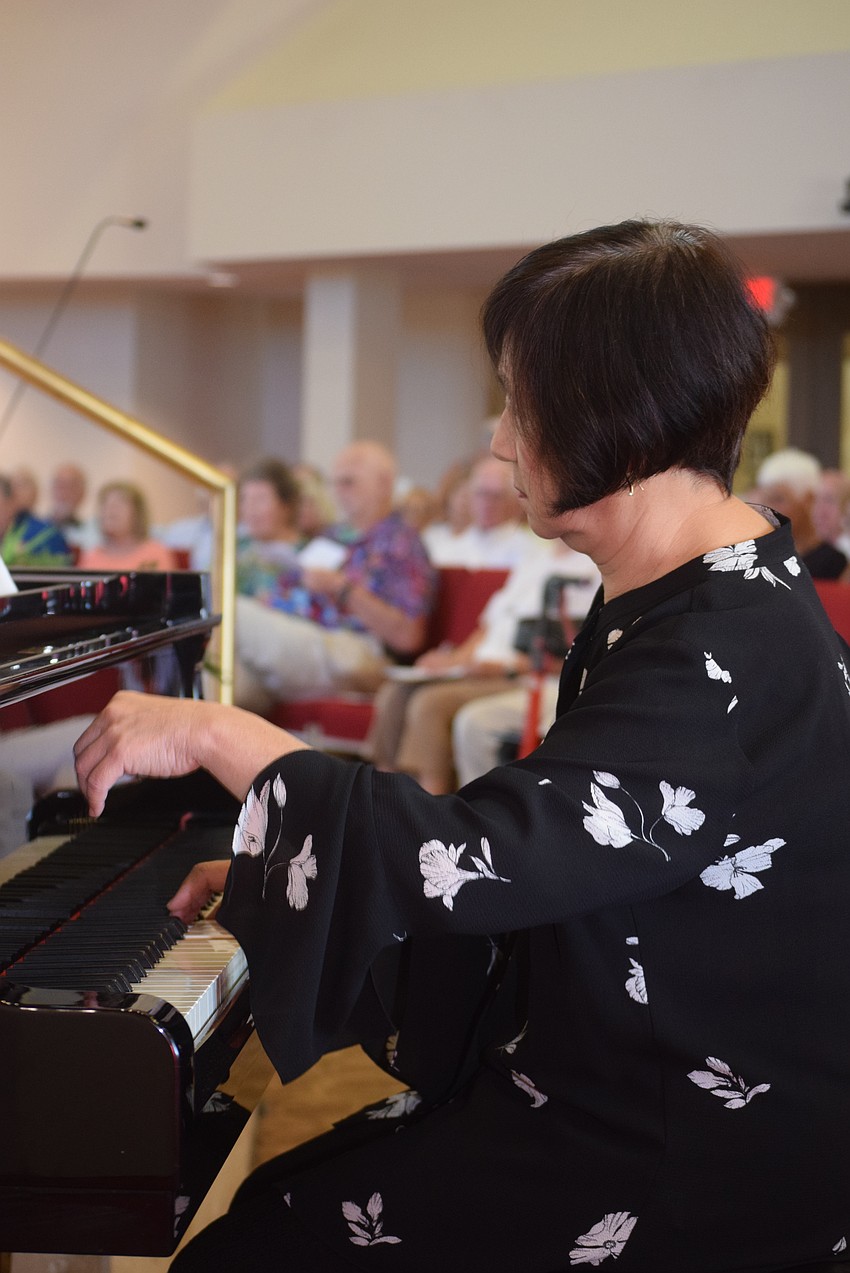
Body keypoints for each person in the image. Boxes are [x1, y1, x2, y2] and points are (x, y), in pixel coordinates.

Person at [73, 220, 850, 1272]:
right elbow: (574, 840)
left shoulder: (723, 643)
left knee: (264, 1245)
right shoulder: (705, 590)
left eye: (517, 402)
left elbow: (499, 853)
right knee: (279, 1202)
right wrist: (290, 867)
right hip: (643, 1079)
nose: (496, 439)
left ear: (613, 414)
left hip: (689, 1145)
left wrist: (219, 730)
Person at [368, 537, 600, 793]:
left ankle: (425, 813)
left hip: (517, 675)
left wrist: (503, 667)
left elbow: (571, 652)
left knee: (430, 704)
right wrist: (453, 660)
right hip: (480, 667)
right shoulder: (534, 558)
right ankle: (383, 799)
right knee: (393, 694)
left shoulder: (591, 567)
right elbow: (488, 626)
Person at [233, 440, 436, 711]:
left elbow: (408, 637)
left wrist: (342, 588)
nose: (339, 492)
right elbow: (289, 587)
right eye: (336, 483)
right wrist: (269, 600)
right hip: (301, 641)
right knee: (228, 680)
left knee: (228, 609)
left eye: (349, 483)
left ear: (384, 485)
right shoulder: (333, 535)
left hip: (357, 652)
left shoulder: (400, 543)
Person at [752, 446, 847, 579]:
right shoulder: (756, 556)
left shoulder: (835, 565)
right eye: (765, 499)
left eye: (778, 499)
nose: (767, 509)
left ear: (807, 500)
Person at [421, 452, 530, 568]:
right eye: (481, 493)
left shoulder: (525, 550)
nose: (487, 503)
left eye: (496, 496)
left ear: (512, 500)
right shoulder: (451, 547)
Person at [235, 457, 305, 599]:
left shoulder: (307, 554)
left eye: (261, 499)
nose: (251, 509)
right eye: (245, 499)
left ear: (286, 505)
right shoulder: (236, 548)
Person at [78, 480, 178, 572]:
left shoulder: (156, 554)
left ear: (137, 513)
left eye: (119, 504)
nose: (110, 510)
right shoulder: (92, 556)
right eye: (106, 504)